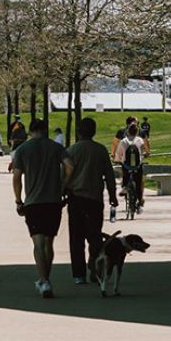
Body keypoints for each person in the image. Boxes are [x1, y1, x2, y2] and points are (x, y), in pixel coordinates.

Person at [11, 118, 73, 298]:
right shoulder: (55, 148)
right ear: (45, 130)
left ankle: (44, 280)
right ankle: (47, 278)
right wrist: (63, 184)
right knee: (49, 243)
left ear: (30, 131)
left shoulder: (23, 149)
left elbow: (16, 177)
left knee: (37, 243)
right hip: (53, 201)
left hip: (33, 202)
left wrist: (18, 200)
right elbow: (70, 165)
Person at [65, 117, 118, 284]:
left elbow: (65, 176)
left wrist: (62, 192)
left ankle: (78, 274)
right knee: (94, 236)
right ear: (94, 132)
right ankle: (94, 266)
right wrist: (113, 195)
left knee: (76, 237)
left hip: (76, 199)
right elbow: (109, 175)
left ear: (78, 131)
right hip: (94, 199)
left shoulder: (71, 151)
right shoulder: (100, 150)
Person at [114, 121, 147, 210]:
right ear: (137, 132)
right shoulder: (139, 140)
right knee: (139, 182)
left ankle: (125, 187)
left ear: (127, 132)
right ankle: (140, 200)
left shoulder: (123, 141)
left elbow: (119, 154)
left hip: (126, 165)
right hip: (137, 165)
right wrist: (144, 155)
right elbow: (143, 151)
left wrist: (117, 161)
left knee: (125, 176)